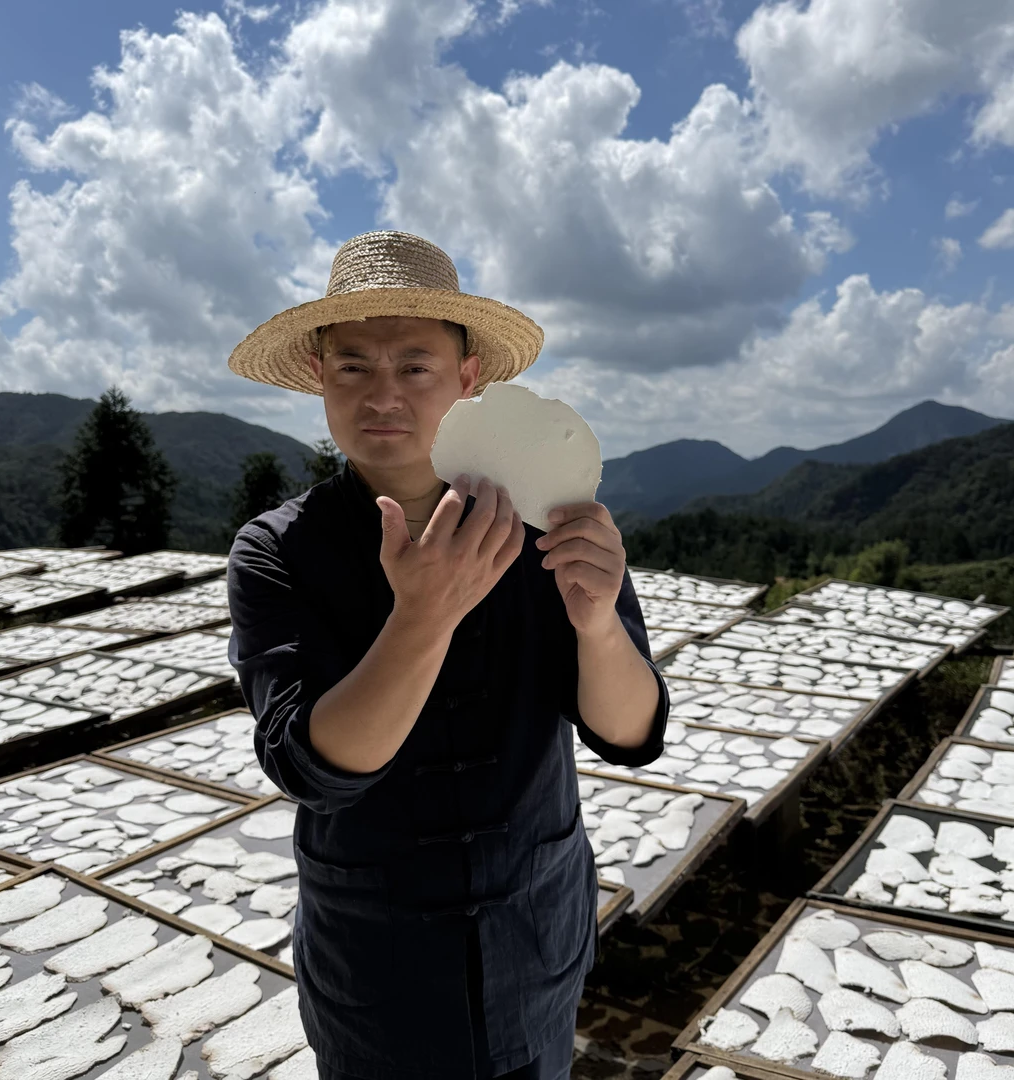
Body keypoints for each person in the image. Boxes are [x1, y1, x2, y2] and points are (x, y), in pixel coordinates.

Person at [226, 230, 670, 1080]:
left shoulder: (551, 516)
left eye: (415, 366)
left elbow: (630, 730)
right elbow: (309, 764)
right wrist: (423, 617)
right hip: (378, 959)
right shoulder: (278, 551)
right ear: (319, 377)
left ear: (468, 380)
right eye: (353, 366)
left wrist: (598, 625)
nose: (382, 394)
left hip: (535, 934)